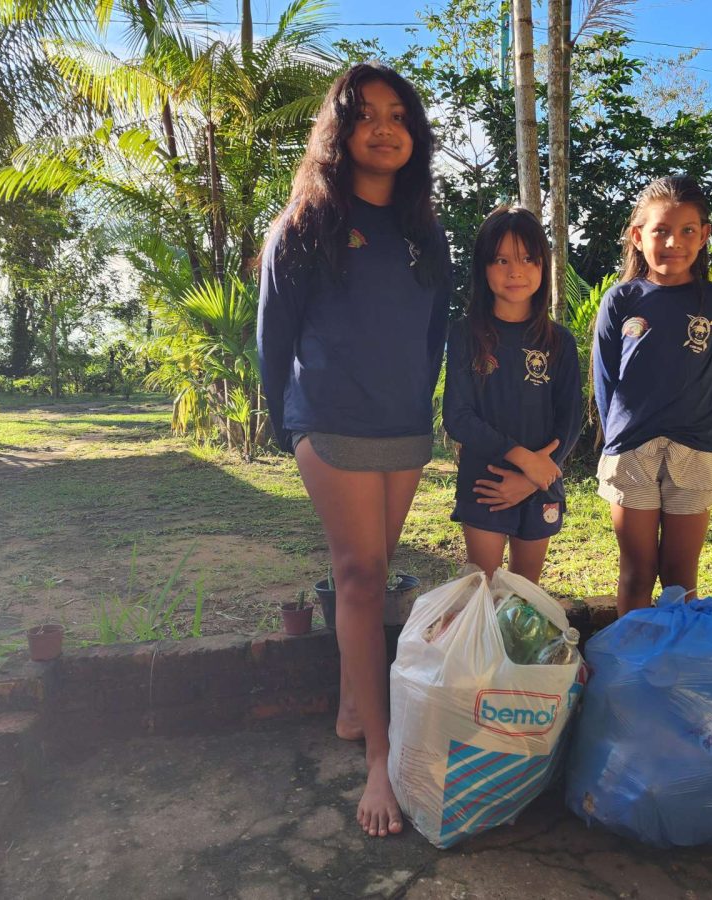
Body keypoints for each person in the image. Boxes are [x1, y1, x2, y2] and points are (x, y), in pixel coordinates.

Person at [257, 63, 450, 838]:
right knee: (364, 576)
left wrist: (422, 408)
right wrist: (286, 425)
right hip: (330, 421)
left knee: (368, 572)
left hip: (403, 426)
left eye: (398, 114)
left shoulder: (425, 233)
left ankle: (347, 709)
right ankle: (380, 758)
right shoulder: (303, 225)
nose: (384, 127)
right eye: (365, 114)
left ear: (415, 133)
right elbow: (273, 340)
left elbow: (435, 332)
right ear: (339, 131)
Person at [592, 176, 712, 617]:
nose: (674, 242)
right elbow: (604, 381)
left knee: (680, 577)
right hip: (632, 452)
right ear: (638, 236)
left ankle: (674, 671)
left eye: (688, 230)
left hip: (695, 449)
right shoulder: (621, 299)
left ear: (704, 235)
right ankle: (629, 674)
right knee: (637, 571)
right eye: (660, 231)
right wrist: (619, 438)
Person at [443, 206, 581, 583]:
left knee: (524, 593)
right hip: (485, 483)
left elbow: (569, 420)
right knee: (481, 589)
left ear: (543, 266)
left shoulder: (559, 342)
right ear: (483, 268)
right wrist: (523, 460)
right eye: (501, 259)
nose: (515, 271)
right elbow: (457, 416)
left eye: (527, 259)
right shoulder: (464, 334)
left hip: (541, 484)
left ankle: (517, 647)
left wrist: (536, 478)